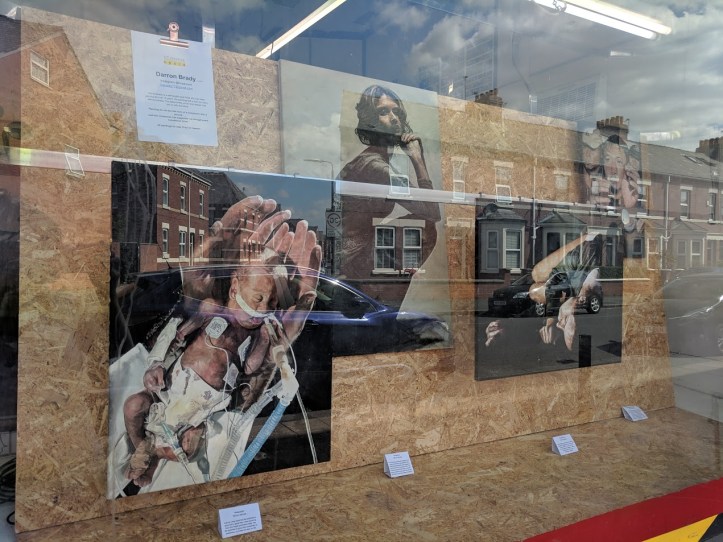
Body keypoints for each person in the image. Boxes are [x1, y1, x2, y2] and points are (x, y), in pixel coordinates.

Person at [122, 261, 297, 487]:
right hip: (167, 394)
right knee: (133, 406)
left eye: (272, 303)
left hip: (199, 413)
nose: (263, 309)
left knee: (188, 449)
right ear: (234, 289)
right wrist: (156, 363)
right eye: (258, 298)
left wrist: (264, 340)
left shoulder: (252, 334)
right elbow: (175, 332)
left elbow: (249, 368)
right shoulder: (212, 309)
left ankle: (154, 455)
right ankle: (140, 447)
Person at [338, 85, 440, 281]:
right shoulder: (376, 167)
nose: (394, 118)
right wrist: (417, 159)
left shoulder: (374, 162)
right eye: (383, 112)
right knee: (426, 226)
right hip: (351, 262)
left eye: (397, 112)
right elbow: (433, 213)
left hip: (353, 257)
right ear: (370, 121)